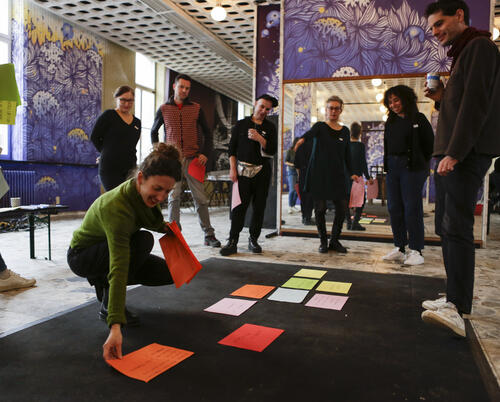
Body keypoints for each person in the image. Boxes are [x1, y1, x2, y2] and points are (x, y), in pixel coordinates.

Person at [421, 0, 500, 337]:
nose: (436, 32)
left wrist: (455, 151)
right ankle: (453, 296)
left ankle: (457, 307)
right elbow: (460, 103)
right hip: (457, 152)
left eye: (440, 24)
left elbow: (477, 103)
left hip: (465, 153)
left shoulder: (479, 46)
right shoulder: (464, 53)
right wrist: (440, 98)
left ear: (459, 16)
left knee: (458, 227)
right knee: (448, 226)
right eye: (433, 28)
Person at [67, 144, 182, 360]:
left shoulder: (144, 197)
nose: (161, 197)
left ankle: (104, 286)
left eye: (167, 191)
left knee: (171, 272)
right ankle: (107, 302)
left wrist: (168, 229)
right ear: (140, 178)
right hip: (83, 256)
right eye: (157, 189)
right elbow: (119, 266)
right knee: (141, 241)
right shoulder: (117, 207)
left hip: (108, 251)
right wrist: (115, 326)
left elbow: (152, 220)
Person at [150, 74, 220, 248]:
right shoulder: (164, 108)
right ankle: (175, 236)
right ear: (174, 87)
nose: (184, 91)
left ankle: (209, 234)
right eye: (181, 87)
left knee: (201, 198)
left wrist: (205, 152)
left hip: (193, 160)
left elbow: (207, 133)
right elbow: (153, 131)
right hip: (172, 161)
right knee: (173, 198)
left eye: (187, 88)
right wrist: (159, 151)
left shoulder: (196, 108)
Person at [381, 85, 434, 266]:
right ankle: (400, 248)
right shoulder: (391, 121)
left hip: (412, 168)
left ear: (406, 99)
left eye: (396, 100)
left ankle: (416, 250)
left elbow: (429, 146)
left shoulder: (418, 119)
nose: (393, 104)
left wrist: (421, 166)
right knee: (394, 208)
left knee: (412, 208)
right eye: (390, 102)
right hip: (393, 168)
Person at [219, 94, 278, 256]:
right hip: (241, 171)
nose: (264, 111)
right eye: (262, 106)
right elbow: (232, 149)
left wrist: (260, 138)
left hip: (262, 171)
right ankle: (232, 241)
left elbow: (272, 150)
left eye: (267, 109)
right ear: (255, 104)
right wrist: (232, 168)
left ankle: (253, 239)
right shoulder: (241, 124)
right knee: (238, 208)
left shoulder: (270, 127)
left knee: (259, 208)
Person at [295, 96, 354, 254]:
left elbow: (348, 154)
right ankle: (323, 241)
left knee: (341, 208)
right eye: (330, 108)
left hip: (338, 176)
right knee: (320, 209)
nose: (333, 111)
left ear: (341, 110)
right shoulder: (320, 127)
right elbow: (309, 133)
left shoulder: (345, 131)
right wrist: (301, 140)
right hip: (319, 175)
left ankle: (334, 240)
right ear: (325, 110)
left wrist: (353, 172)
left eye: (336, 108)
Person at [91, 86, 141, 191]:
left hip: (130, 168)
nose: (127, 104)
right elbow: (94, 137)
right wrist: (105, 152)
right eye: (123, 100)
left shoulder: (137, 122)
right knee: (115, 200)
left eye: (130, 100)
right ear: (116, 99)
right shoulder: (108, 116)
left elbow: (131, 144)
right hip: (110, 168)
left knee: (129, 201)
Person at [346, 122, 373, 231]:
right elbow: (363, 163)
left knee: (347, 201)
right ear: (360, 133)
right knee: (361, 200)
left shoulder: (346, 145)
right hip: (358, 178)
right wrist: (368, 177)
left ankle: (348, 223)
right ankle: (355, 222)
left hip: (347, 177)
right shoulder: (360, 146)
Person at [294, 138, 315, 226]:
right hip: (312, 173)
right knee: (310, 196)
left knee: (303, 195)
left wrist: (299, 176)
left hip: (302, 173)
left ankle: (304, 217)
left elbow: (296, 165)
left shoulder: (300, 147)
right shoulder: (315, 146)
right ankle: (308, 217)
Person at [285, 138, 300, 214]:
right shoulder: (290, 151)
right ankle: (290, 206)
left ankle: (293, 205)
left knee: (297, 190)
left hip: (299, 172)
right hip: (292, 172)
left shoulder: (300, 151)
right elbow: (286, 161)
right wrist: (293, 164)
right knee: (292, 189)